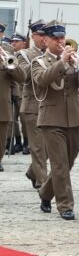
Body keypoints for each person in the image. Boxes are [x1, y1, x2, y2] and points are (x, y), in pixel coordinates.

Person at [31, 20, 79, 220]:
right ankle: (65, 205)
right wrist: (62, 63)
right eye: (55, 38)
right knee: (60, 164)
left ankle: (45, 193)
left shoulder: (74, 60)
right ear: (45, 40)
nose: (60, 41)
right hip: (51, 119)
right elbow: (42, 80)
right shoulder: (39, 62)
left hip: (75, 118)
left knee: (68, 163)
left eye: (62, 37)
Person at [17, 19, 48, 188]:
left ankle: (32, 172)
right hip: (32, 107)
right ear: (33, 36)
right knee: (38, 149)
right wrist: (43, 59)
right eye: (41, 35)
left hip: (50, 108)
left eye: (46, 35)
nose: (44, 38)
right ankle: (43, 185)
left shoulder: (51, 53)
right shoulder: (24, 54)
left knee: (49, 148)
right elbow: (24, 76)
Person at [0, 21, 26, 172]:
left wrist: (9, 64)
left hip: (2, 104)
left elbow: (21, 77)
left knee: (1, 136)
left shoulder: (8, 52)